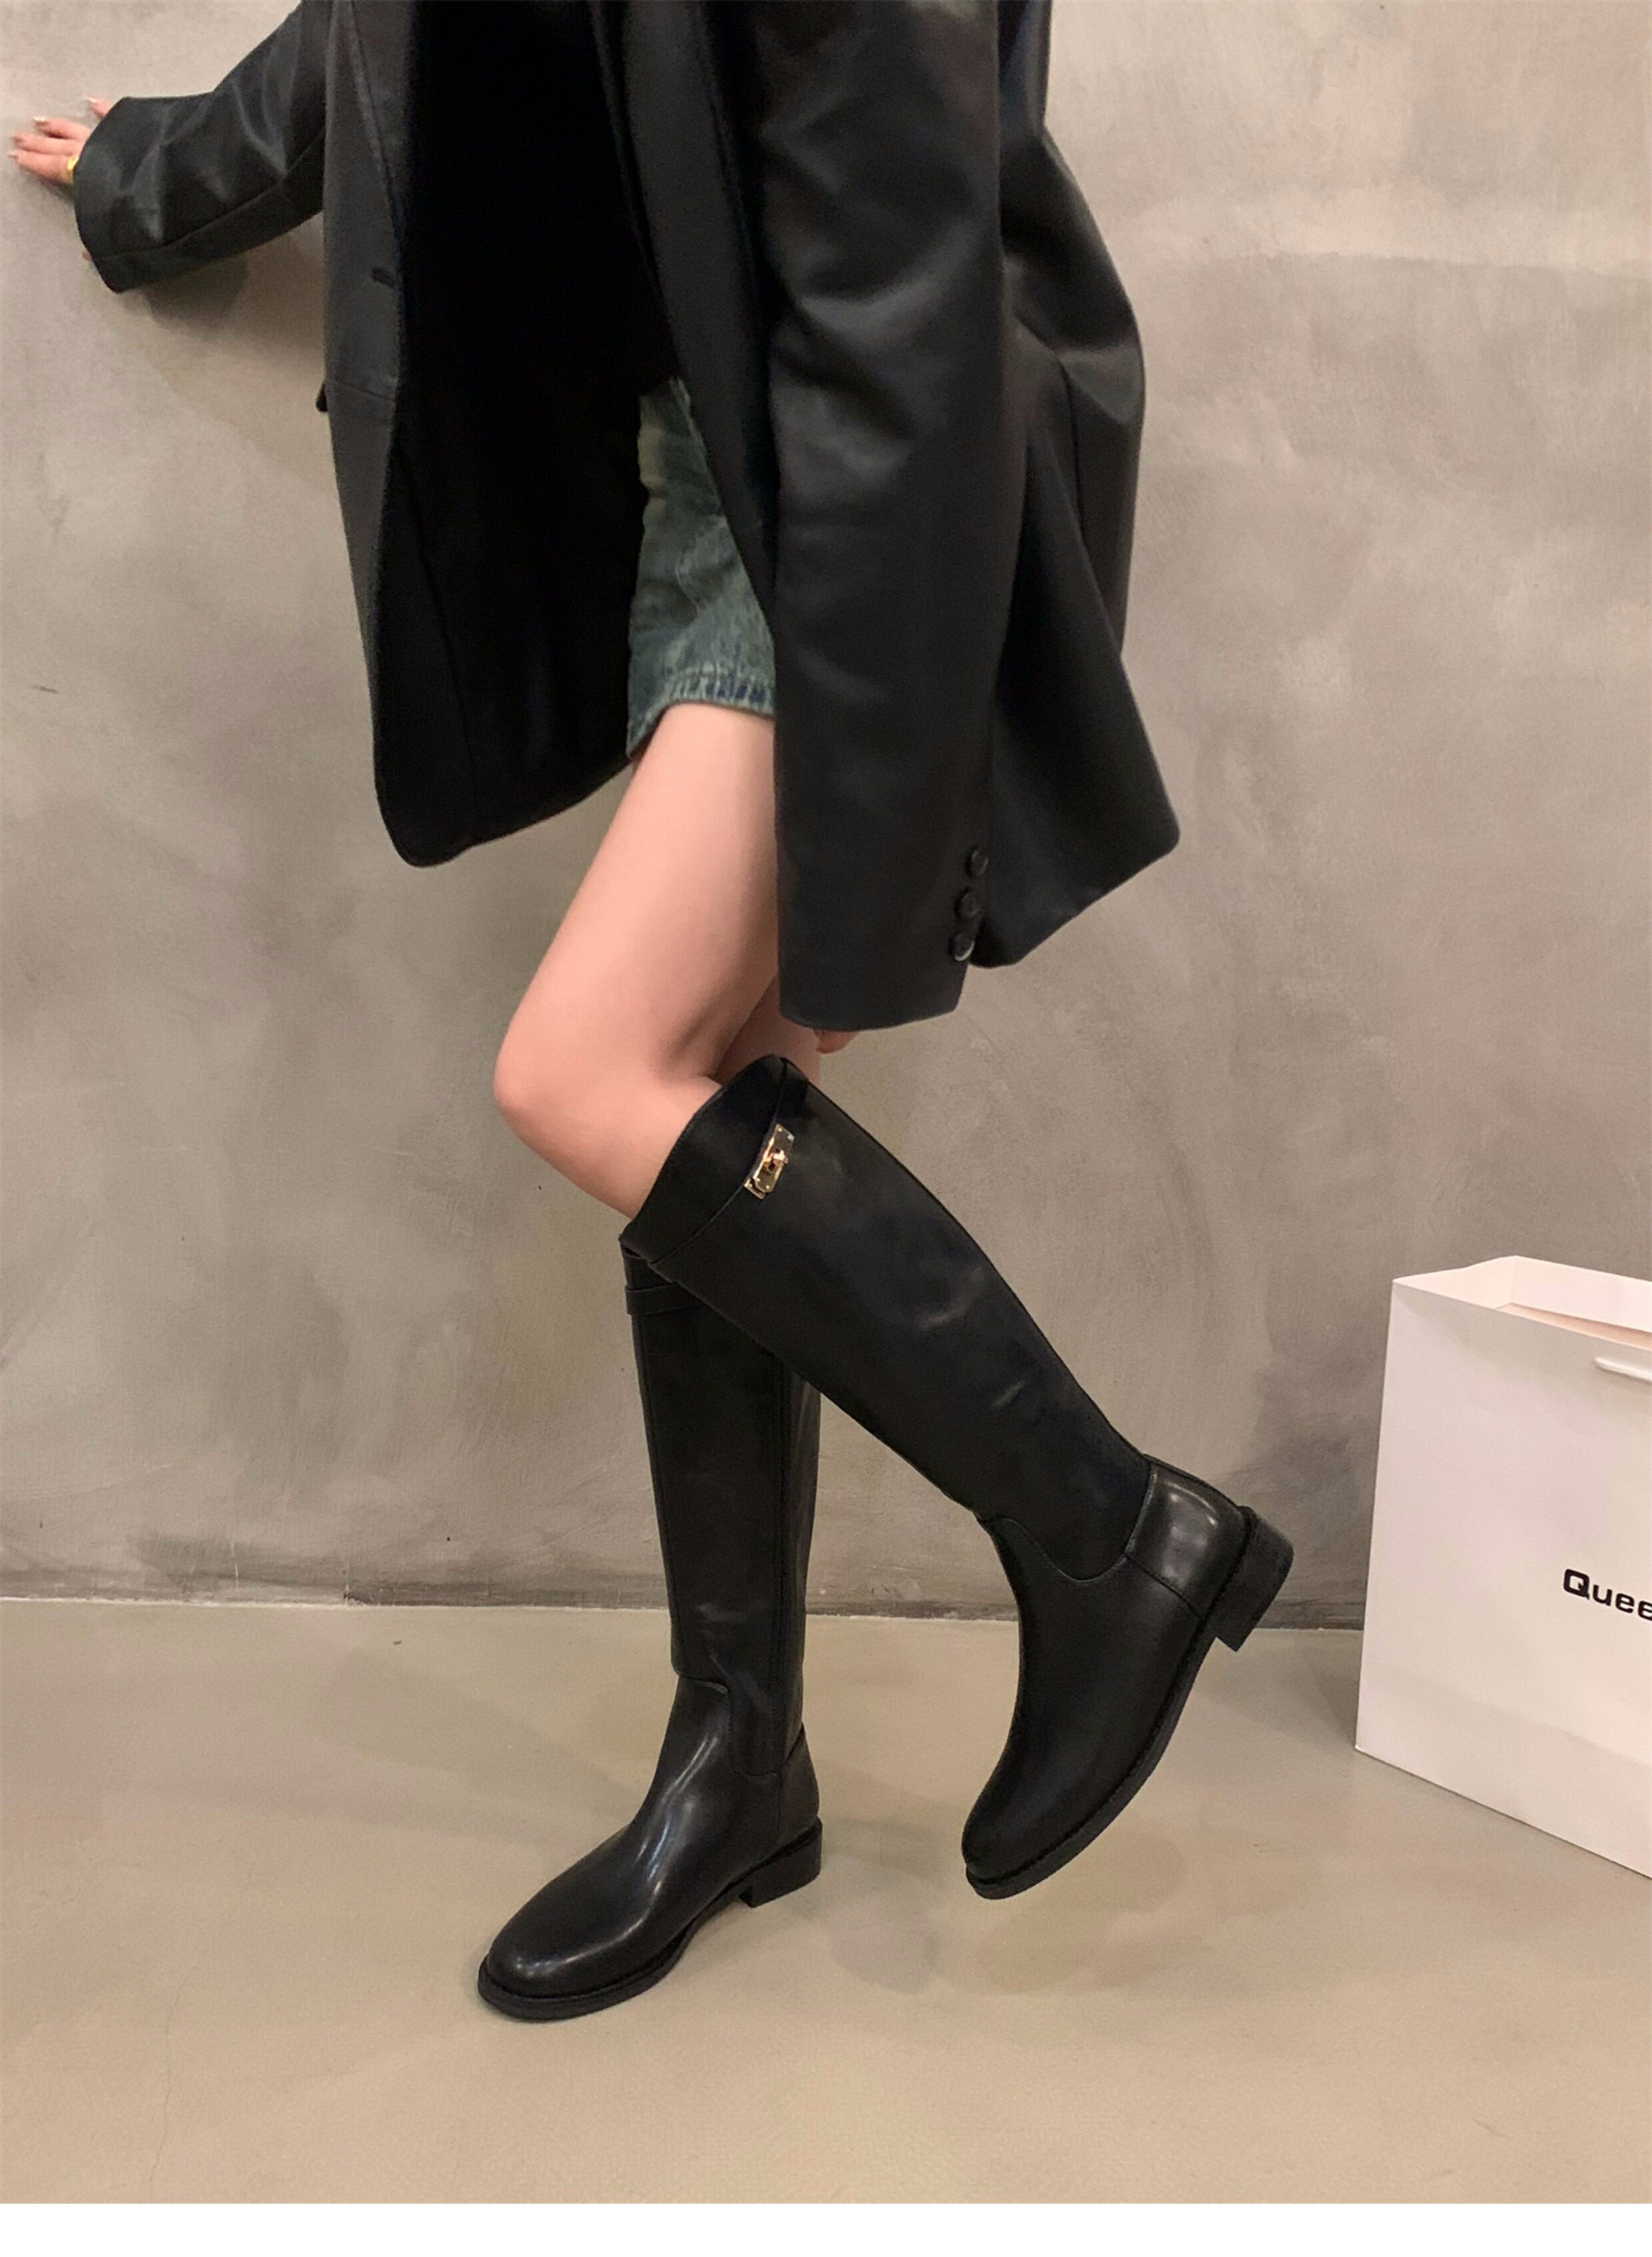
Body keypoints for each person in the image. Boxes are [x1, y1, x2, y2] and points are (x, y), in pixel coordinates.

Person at [13, 0, 1291, 2023]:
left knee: (583, 1069)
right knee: (701, 1089)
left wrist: (879, 844)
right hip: (715, 477)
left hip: (846, 514)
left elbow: (906, 320)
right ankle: (741, 1762)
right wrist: (157, 176)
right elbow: (400, 26)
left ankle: (1113, 1530)